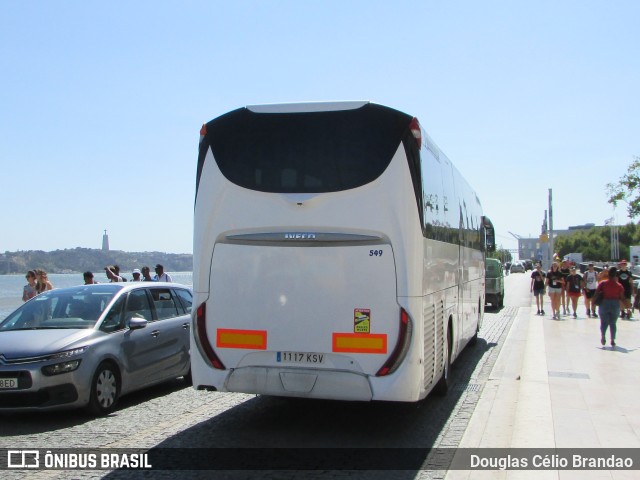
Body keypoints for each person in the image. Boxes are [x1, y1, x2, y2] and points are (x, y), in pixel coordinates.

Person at [595, 266, 625, 347]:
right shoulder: (619, 286)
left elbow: (597, 293)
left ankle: (603, 336)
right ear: (616, 275)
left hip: (604, 303)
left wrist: (594, 302)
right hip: (615, 304)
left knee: (603, 322)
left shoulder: (602, 283)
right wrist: (627, 305)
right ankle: (612, 339)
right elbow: (622, 297)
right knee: (613, 323)